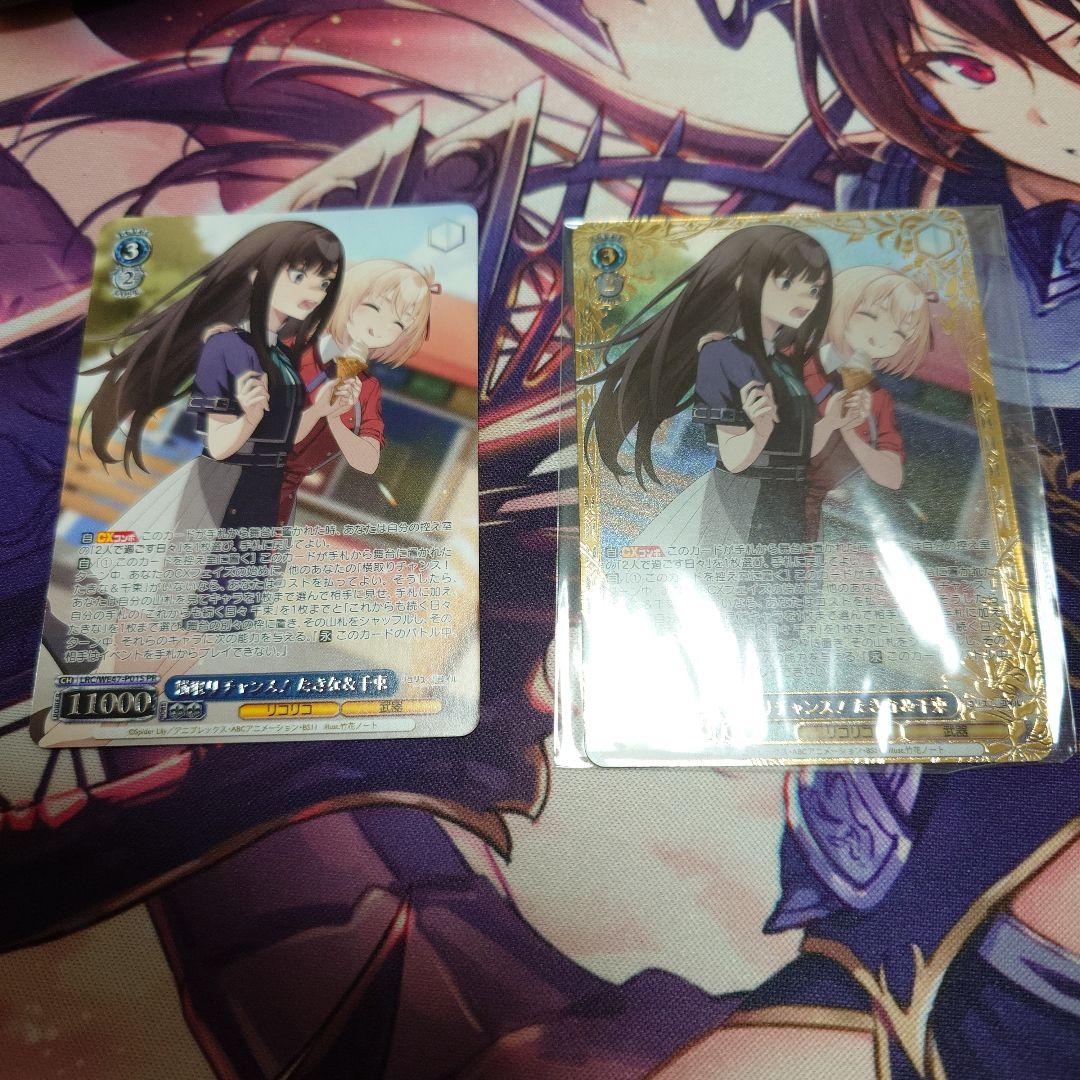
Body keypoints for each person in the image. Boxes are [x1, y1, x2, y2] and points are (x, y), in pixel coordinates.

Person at [81, 219, 344, 637]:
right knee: (176, 613)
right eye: (299, 275)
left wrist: (320, 411)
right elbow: (219, 446)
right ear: (257, 273)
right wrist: (249, 418)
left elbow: (285, 440)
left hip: (262, 493)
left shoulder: (282, 359)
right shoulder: (227, 347)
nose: (313, 292)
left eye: (324, 283)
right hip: (221, 490)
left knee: (212, 620)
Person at [585, 223, 864, 548]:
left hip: (789, 502)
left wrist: (832, 422)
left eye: (815, 290)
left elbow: (798, 450)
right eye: (787, 283)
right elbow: (733, 459)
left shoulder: (785, 366)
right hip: (744, 501)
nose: (806, 298)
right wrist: (759, 431)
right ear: (744, 282)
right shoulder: (722, 354)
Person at [277, 258, 440, 524]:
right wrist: (317, 410)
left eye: (399, 324)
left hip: (281, 503)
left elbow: (367, 462)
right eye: (374, 307)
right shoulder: (289, 351)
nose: (382, 327)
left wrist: (337, 421)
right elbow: (264, 433)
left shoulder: (366, 388)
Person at [802, 266, 934, 538]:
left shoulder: (877, 398)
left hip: (828, 520)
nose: (882, 337)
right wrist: (830, 422)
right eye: (871, 316)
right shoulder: (796, 361)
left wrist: (850, 431)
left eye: (899, 334)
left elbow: (891, 477)